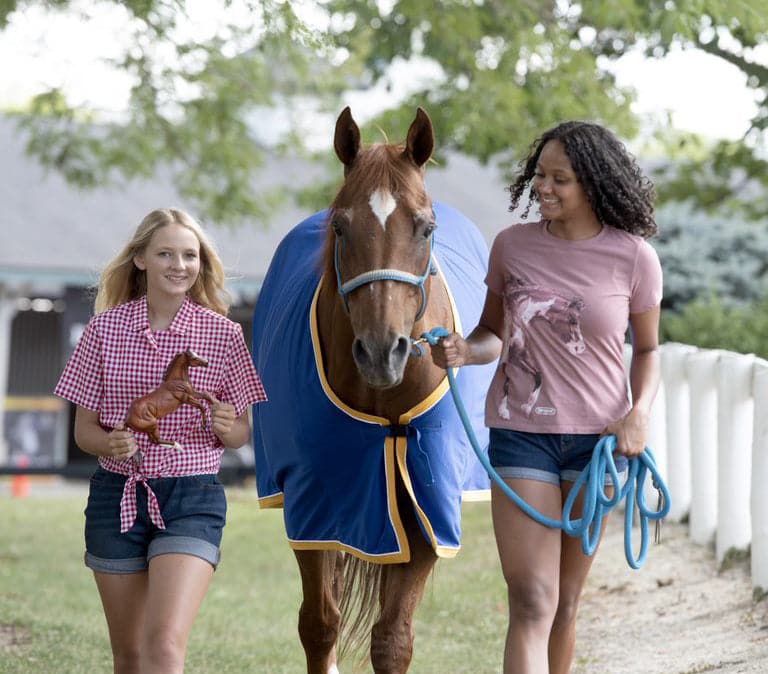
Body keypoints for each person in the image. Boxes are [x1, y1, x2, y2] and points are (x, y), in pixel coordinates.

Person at [430, 121, 662, 674]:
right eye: (540, 177)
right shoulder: (513, 247)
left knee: (566, 604)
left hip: (597, 445)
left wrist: (639, 414)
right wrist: (465, 350)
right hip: (521, 435)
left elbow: (649, 350)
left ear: (596, 184)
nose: (545, 189)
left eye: (561, 179)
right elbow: (493, 334)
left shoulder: (633, 257)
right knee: (533, 598)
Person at [54, 208, 267, 674]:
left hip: (192, 496)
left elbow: (238, 435)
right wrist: (108, 445)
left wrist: (226, 423)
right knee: (129, 656)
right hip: (117, 496)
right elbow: (84, 431)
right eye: (166, 253)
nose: (179, 264)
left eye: (189, 255)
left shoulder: (224, 335)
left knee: (165, 645)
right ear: (141, 260)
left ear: (201, 263)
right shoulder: (103, 330)